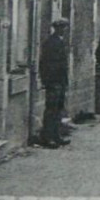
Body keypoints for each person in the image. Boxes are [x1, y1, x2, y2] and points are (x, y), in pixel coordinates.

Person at [37, 18, 71, 148]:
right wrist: (47, 80)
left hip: (60, 81)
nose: (63, 30)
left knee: (58, 109)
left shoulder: (60, 42)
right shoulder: (51, 42)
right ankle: (48, 137)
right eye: (61, 28)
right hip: (53, 81)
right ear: (56, 28)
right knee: (51, 110)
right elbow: (45, 63)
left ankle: (56, 135)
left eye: (65, 28)